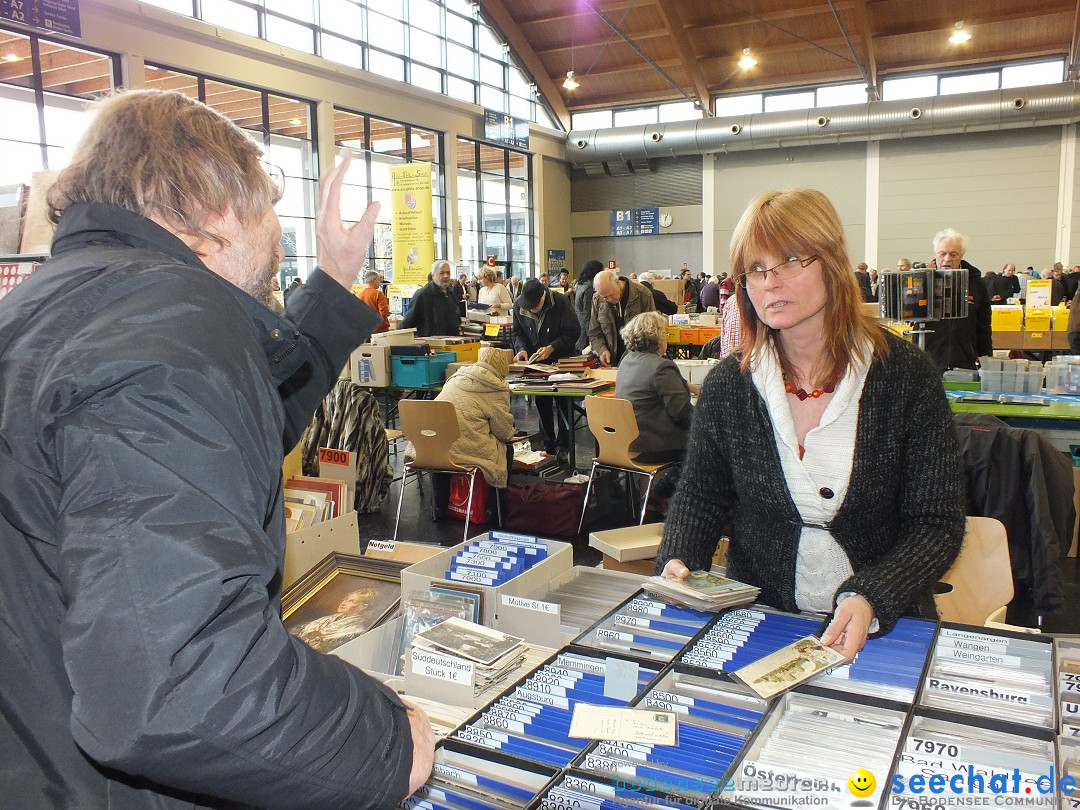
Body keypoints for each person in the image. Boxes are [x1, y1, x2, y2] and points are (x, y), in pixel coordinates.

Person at [0, 90, 433, 809]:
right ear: (209, 201)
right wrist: (387, 740)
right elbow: (179, 683)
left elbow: (220, 440)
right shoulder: (172, 329)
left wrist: (330, 285)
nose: (278, 241)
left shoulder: (47, 310)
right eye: (267, 209)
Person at [654, 188, 965, 657]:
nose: (770, 282)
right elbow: (701, 495)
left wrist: (873, 593)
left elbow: (936, 523)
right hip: (760, 624)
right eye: (755, 269)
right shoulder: (730, 386)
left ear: (832, 262)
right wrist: (679, 554)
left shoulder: (905, 377)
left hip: (884, 629)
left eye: (791, 259)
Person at [614, 311, 695, 468]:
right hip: (654, 445)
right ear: (658, 337)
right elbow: (682, 414)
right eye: (665, 333)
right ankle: (673, 485)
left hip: (628, 442)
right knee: (712, 442)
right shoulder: (662, 367)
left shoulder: (627, 361)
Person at [512, 278, 581, 462]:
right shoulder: (519, 305)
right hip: (537, 365)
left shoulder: (560, 302)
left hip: (562, 362)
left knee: (564, 406)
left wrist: (552, 347)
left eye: (536, 306)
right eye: (529, 306)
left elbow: (574, 332)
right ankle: (548, 445)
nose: (533, 309)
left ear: (544, 296)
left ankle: (563, 446)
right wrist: (522, 350)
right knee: (542, 404)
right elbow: (518, 333)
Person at [434, 346, 516, 492]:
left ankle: (439, 508)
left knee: (444, 450)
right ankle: (497, 506)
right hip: (464, 453)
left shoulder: (454, 378)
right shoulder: (497, 388)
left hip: (427, 449)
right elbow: (504, 433)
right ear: (502, 371)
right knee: (506, 448)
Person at [921, 229, 992, 371]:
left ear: (961, 256)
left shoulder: (976, 283)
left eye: (953, 254)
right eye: (943, 253)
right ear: (936, 254)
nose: (947, 259)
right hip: (928, 361)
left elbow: (983, 326)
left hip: (964, 361)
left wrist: (986, 359)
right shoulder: (922, 280)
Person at [589, 269, 656, 366]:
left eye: (610, 295)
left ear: (617, 283)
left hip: (638, 362)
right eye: (604, 297)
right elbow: (594, 332)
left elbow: (653, 333)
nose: (608, 300)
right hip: (611, 363)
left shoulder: (643, 295)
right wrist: (602, 350)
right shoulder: (597, 299)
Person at [296, 587, 382, 653]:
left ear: (363, 606)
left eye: (351, 601)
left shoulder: (357, 628)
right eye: (346, 599)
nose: (343, 603)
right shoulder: (330, 618)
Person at [401, 259, 461, 337]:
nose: (445, 276)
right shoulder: (422, 295)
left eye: (448, 273)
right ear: (433, 276)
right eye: (441, 273)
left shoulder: (451, 294)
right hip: (430, 343)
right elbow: (408, 323)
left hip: (452, 342)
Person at [574, 259, 603, 353]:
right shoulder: (589, 289)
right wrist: (591, 336)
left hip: (579, 327)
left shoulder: (580, 285)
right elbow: (588, 314)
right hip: (586, 333)